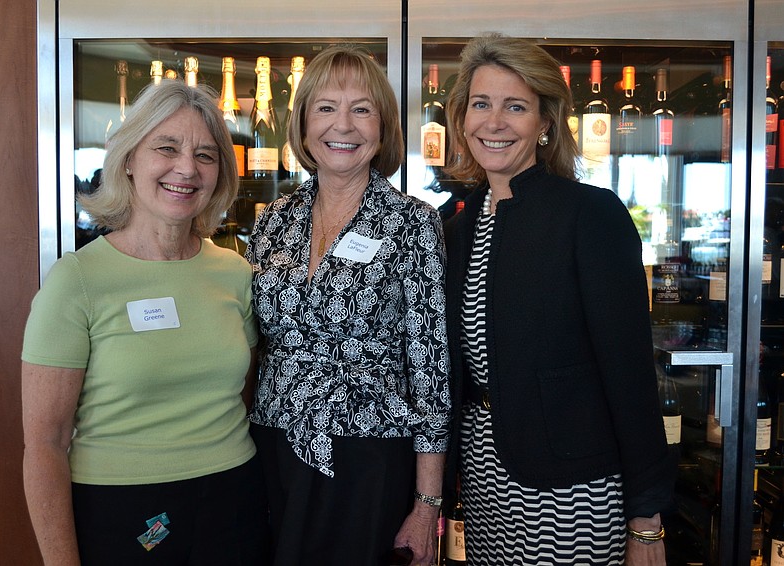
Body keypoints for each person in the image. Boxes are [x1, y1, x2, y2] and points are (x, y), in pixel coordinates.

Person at [442, 34, 677, 565]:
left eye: (515, 106)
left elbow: (630, 373)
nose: (494, 122)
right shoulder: (455, 229)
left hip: (573, 488)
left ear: (545, 122)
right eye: (481, 104)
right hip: (481, 477)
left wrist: (646, 520)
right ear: (462, 117)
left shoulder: (591, 215)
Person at [21, 80, 269, 565]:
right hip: (121, 511)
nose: (186, 168)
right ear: (129, 158)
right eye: (167, 147)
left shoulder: (235, 274)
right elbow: (45, 445)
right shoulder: (78, 281)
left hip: (235, 500)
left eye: (205, 155)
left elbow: (244, 392)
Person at [245, 44, 451, 566]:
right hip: (272, 445)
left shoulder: (412, 223)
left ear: (382, 127)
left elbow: (430, 369)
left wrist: (427, 506)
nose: (345, 125)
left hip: (368, 455)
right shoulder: (274, 221)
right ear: (304, 123)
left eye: (362, 109)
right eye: (327, 108)